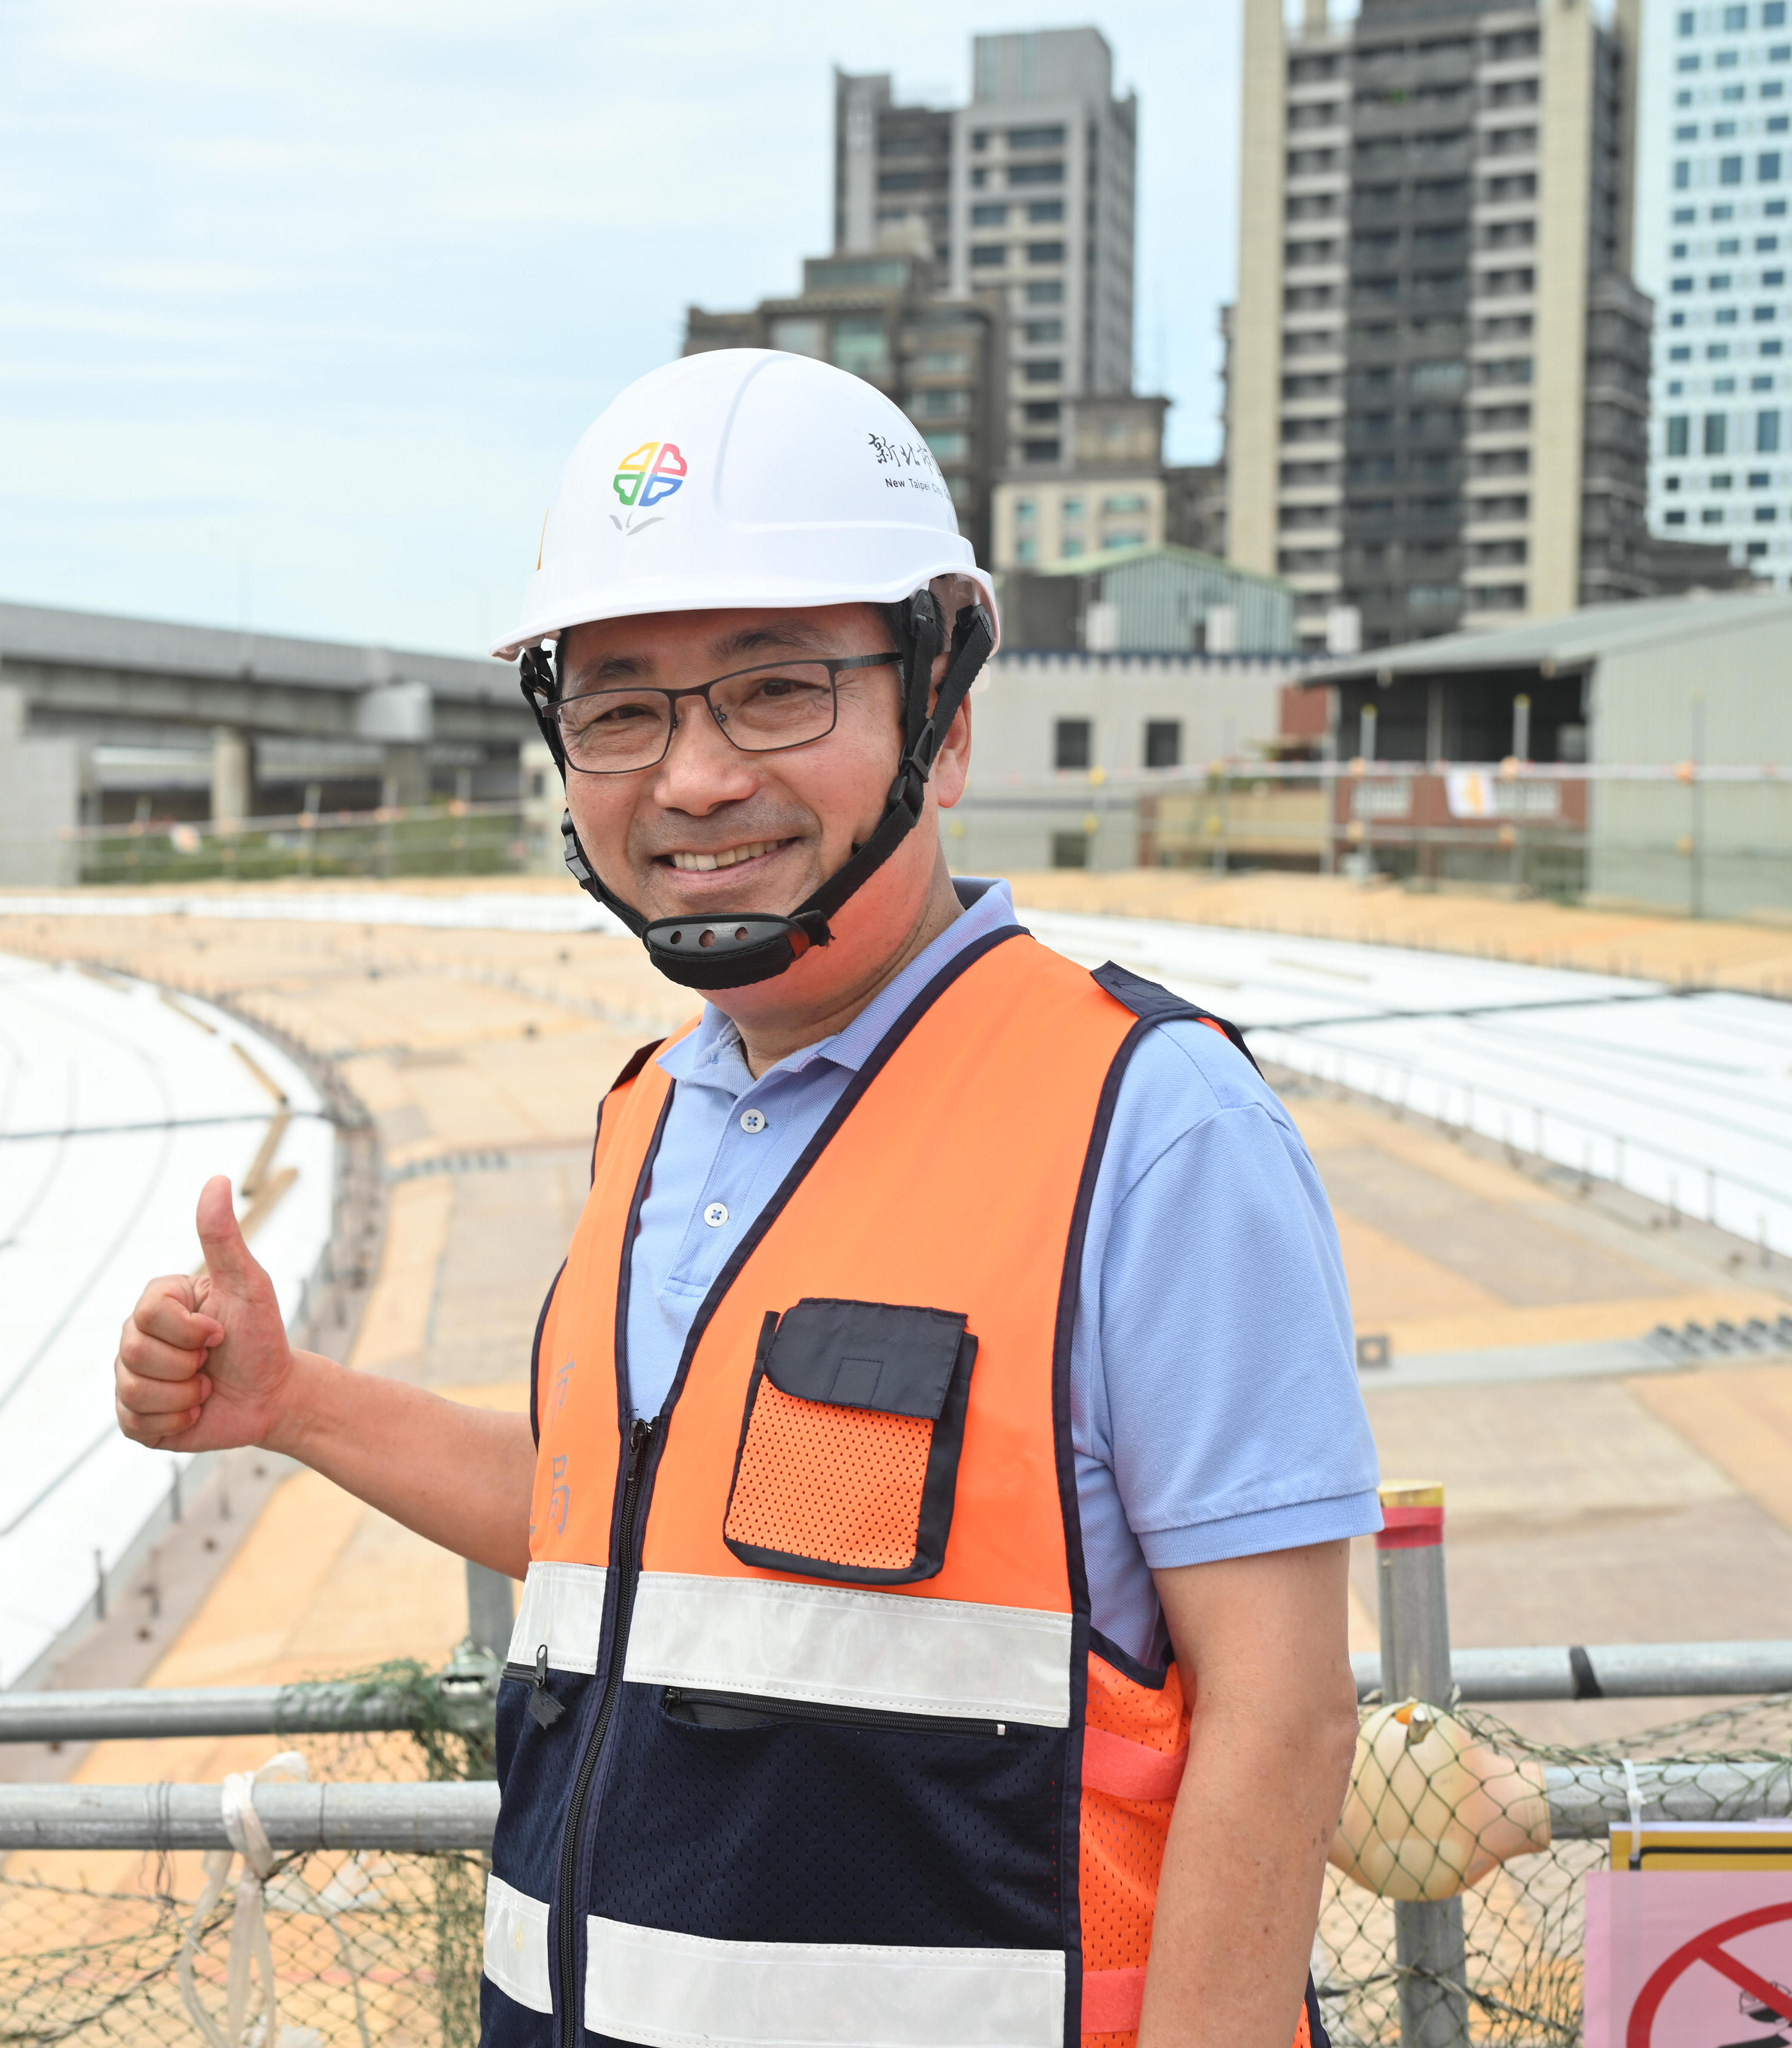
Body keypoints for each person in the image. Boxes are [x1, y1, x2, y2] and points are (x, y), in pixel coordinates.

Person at [117, 348, 1379, 2048]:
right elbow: (623, 1526)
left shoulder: (1144, 1120)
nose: (693, 778)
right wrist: (293, 1404)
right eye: (620, 708)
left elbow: (1283, 1707)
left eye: (774, 689)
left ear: (938, 705)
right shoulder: (650, 1117)